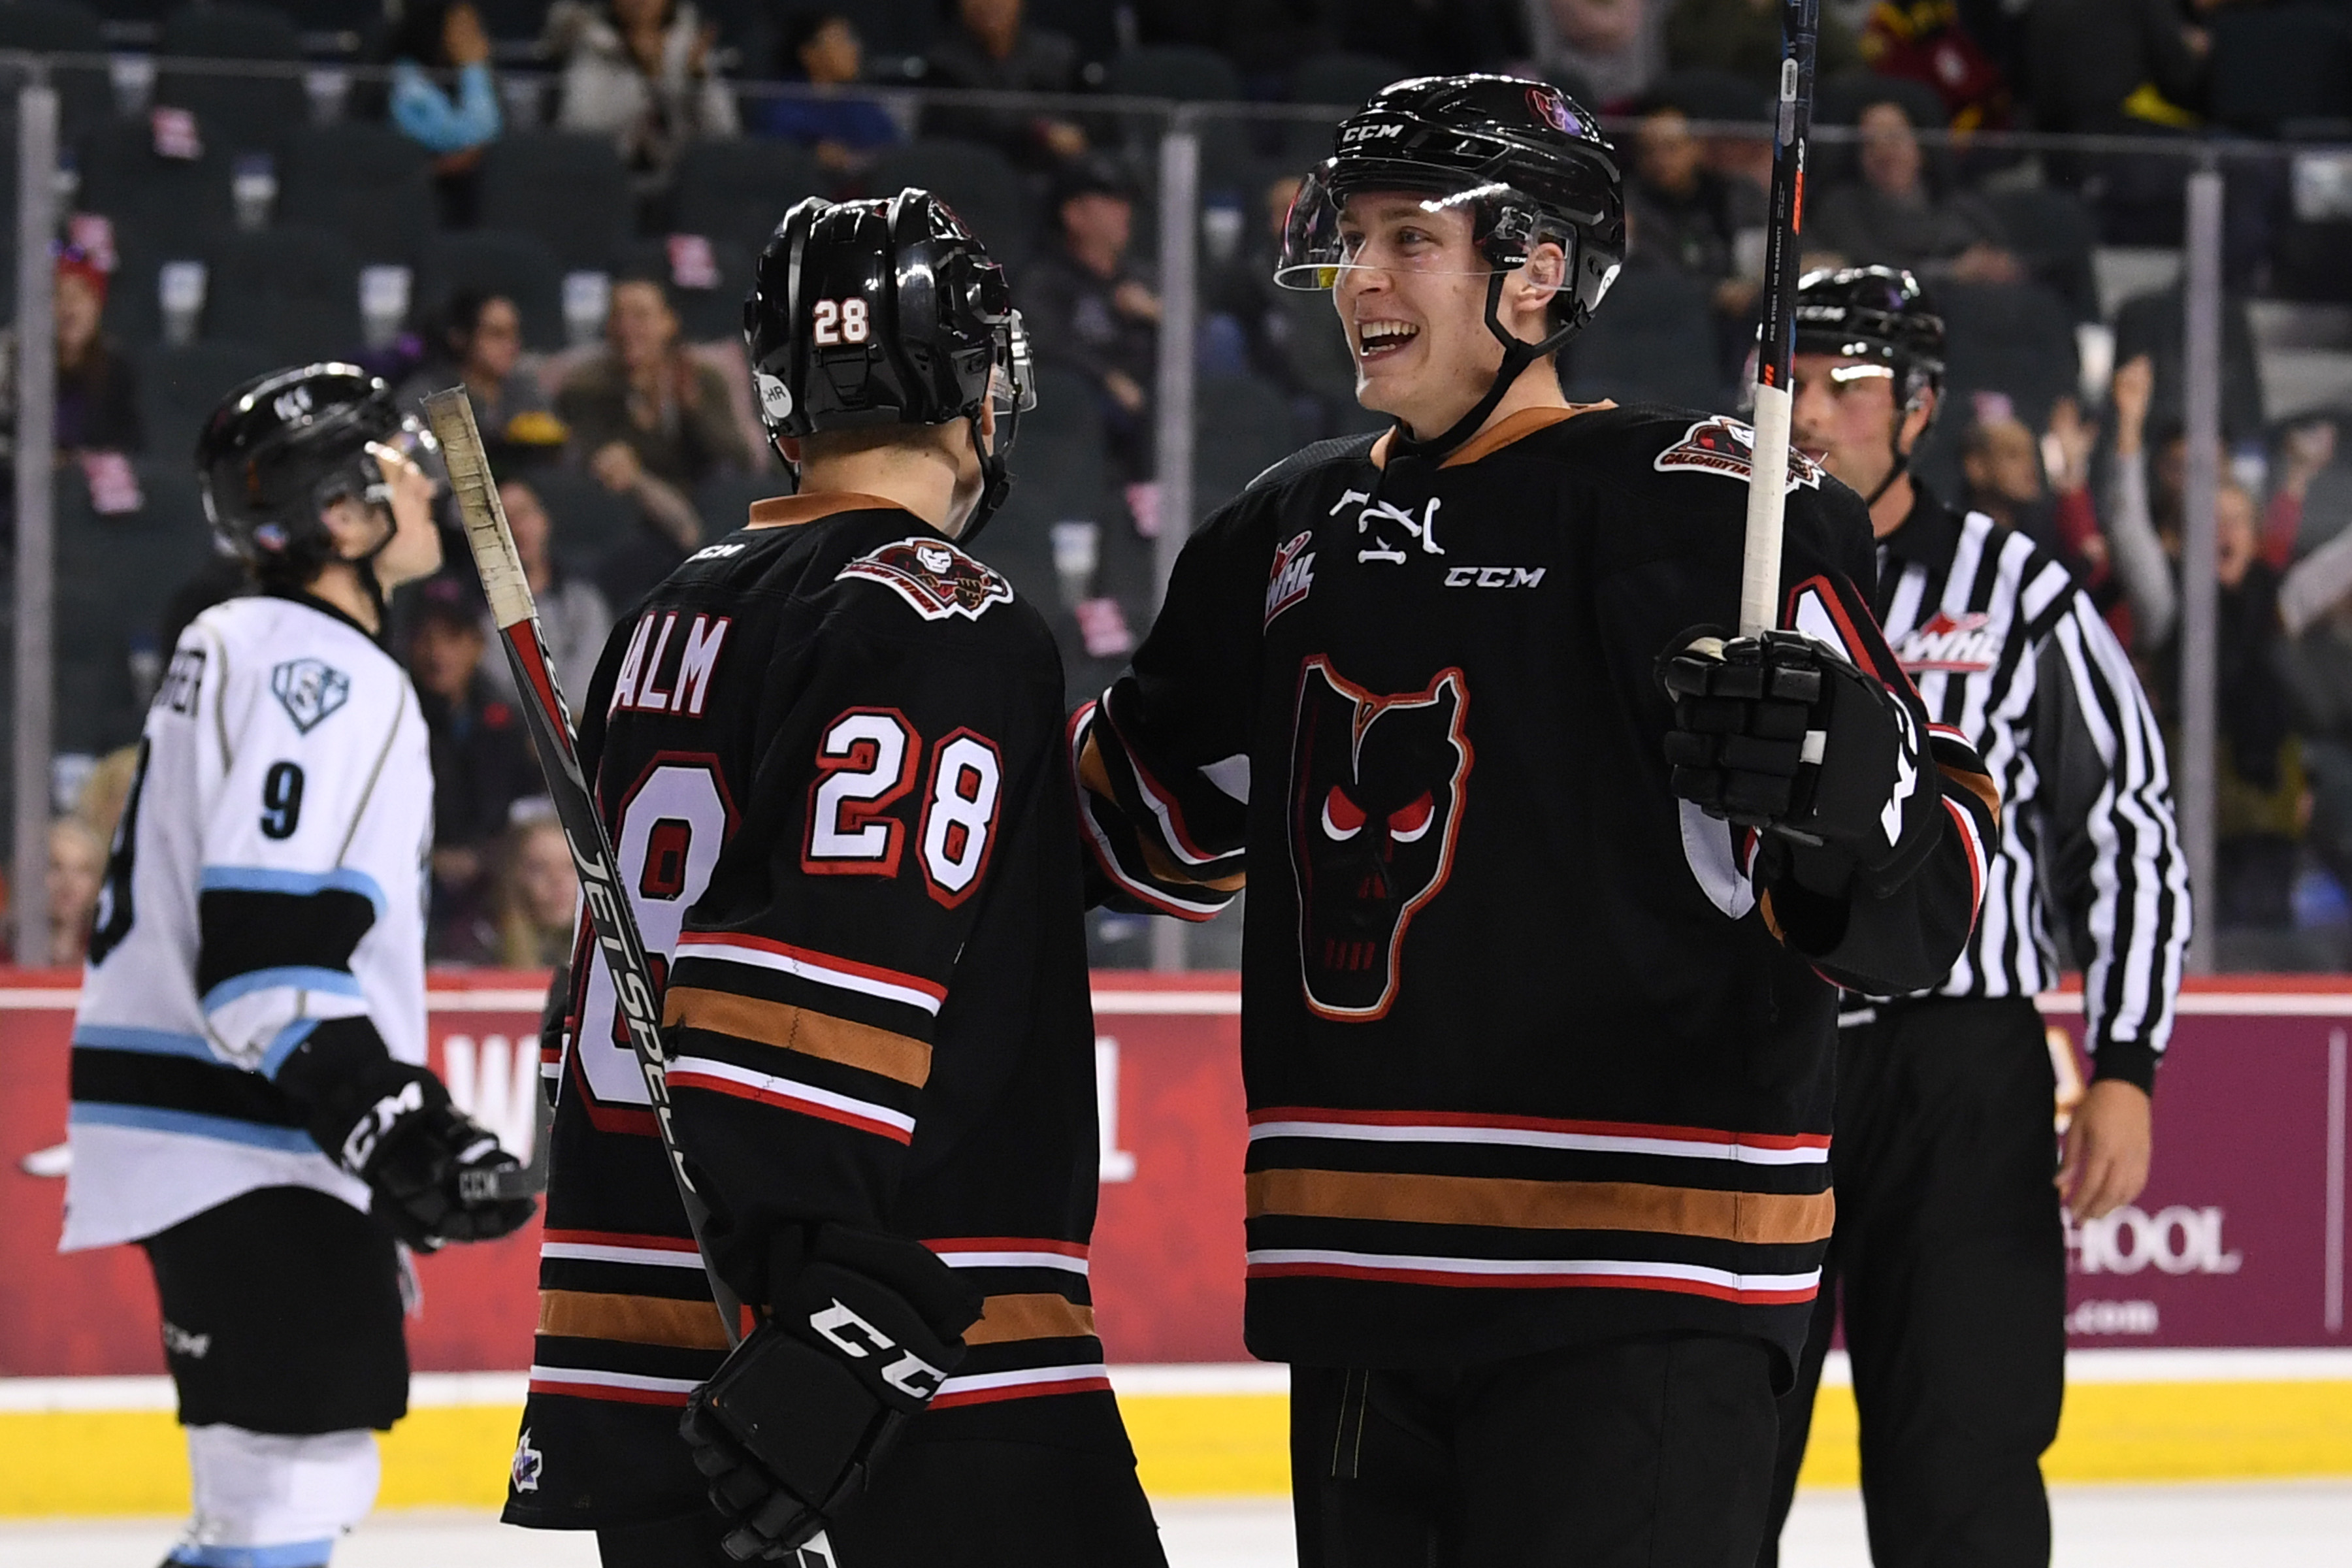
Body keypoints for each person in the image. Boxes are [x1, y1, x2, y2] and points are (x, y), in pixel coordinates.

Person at [1071, 78, 1999, 1567]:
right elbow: (1135, 830)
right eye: (1352, 238)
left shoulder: (1706, 512)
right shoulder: (1284, 531)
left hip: (1637, 1287)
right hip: (1362, 1283)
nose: (1360, 278)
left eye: (1407, 239)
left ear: (1537, 270)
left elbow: (1929, 885)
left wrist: (1843, 781)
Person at [500, 189, 1167, 1567]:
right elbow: (823, 977)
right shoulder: (946, 614)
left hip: (650, 1340)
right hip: (877, 1359)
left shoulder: (666, 613)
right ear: (973, 390)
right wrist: (836, 1316)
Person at [58, 365, 534, 1568]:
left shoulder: (241, 640)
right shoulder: (322, 673)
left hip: (215, 1119)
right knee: (287, 1491)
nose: (423, 482)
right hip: (245, 1129)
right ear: (340, 514)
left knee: (274, 1495)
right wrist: (385, 1117)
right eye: (394, 465)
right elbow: (263, 956)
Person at [1760, 267, 2189, 1568]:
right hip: (1756, 1058)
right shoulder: (1717, 574)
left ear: (1922, 407)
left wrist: (2126, 1066)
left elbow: (2126, 821)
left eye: (1849, 385)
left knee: (1964, 1460)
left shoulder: (2020, 591)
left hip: (1959, 1075)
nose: (1813, 411)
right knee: (1702, 1448)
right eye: (1794, 381)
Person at [406, 574, 546, 958]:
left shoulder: (504, 721)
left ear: (477, 644)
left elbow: (528, 804)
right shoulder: (392, 717)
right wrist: (433, 857)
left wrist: (492, 855)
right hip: (414, 878)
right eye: (426, 638)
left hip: (495, 881)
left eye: (452, 638)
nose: (438, 653)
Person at [1022, 156, 1161, 483]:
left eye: (1125, 203)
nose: (1124, 213)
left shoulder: (1144, 279)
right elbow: (1044, 343)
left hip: (1153, 401)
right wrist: (1107, 377)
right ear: (1074, 214)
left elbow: (1201, 326)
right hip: (1090, 410)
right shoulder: (1046, 280)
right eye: (1110, 203)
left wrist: (1159, 313)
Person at [1807, 95, 2022, 284]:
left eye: (1894, 137)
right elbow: (1867, 270)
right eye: (1870, 142)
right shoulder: (1840, 209)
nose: (1884, 153)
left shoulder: (1961, 206)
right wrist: (1951, 273)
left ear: (1921, 147)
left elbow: (2012, 262)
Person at [547, 0, 739, 190]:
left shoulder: (691, 49)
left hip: (686, 188)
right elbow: (578, 131)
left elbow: (725, 137)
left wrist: (697, 83)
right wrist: (642, 74)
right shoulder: (593, 49)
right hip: (603, 185)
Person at [0, 244, 142, 464]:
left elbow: (129, 447)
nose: (69, 307)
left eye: (81, 294)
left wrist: (77, 463)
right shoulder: (10, 357)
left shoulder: (115, 366)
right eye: (59, 294)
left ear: (98, 306)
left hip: (81, 482)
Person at [479, 476, 614, 707]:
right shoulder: (474, 611)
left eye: (522, 513)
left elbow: (592, 678)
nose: (515, 528)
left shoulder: (583, 601)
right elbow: (494, 688)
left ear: (544, 520)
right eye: (502, 519)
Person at [921, 0, 1089, 169]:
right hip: (973, 170)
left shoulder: (1057, 56)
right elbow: (971, 126)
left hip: (1050, 170)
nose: (990, 3)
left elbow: (1087, 120)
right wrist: (1041, 131)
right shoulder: (943, 64)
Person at [379, 0, 502, 225]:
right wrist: (474, 68)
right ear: (435, 28)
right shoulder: (405, 80)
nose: (480, 41)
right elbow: (461, 135)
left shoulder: (461, 78)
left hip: (466, 201)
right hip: (413, 200)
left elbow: (492, 135)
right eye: (466, 30)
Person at [396, 290, 562, 457]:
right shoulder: (426, 397)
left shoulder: (525, 392)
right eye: (496, 334)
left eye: (514, 333)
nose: (511, 345)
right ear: (460, 337)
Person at [751, 10, 901, 176]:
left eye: (852, 40)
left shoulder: (859, 102)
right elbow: (777, 154)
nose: (854, 49)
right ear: (809, 53)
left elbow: (893, 148)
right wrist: (814, 153)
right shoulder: (784, 101)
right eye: (841, 40)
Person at [47, 816, 106, 967]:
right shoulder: (8, 952)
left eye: (82, 870)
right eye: (56, 866)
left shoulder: (108, 953)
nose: (69, 882)